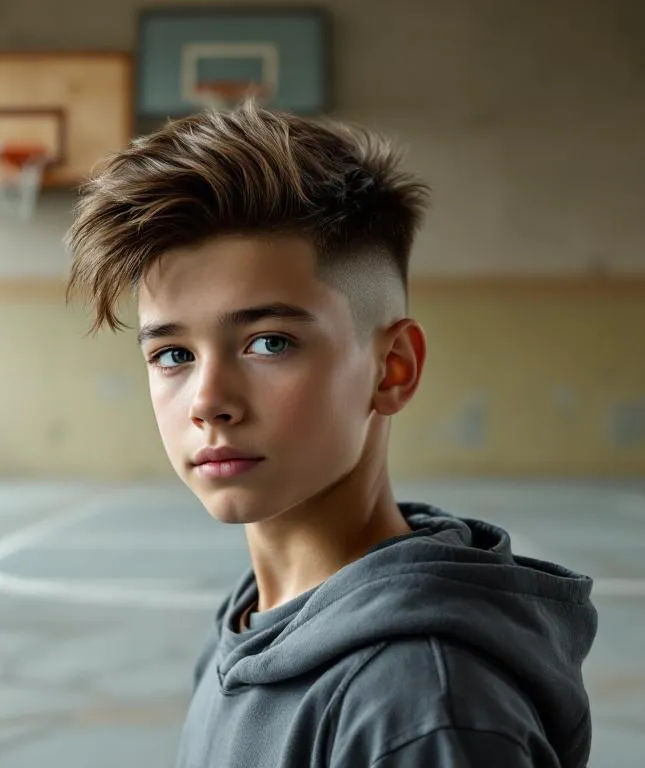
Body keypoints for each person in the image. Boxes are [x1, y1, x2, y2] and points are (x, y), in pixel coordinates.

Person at [65, 100, 598, 768]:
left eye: (269, 341)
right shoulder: (249, 627)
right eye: (173, 354)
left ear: (392, 369)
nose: (207, 401)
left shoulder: (420, 709)